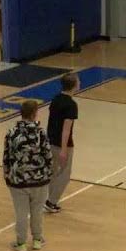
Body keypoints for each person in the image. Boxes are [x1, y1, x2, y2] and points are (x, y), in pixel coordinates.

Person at [3, 100, 53, 251]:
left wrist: (7, 175)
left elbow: (7, 156)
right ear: (34, 114)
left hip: (18, 180)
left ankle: (21, 243)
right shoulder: (40, 133)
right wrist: (48, 173)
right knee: (37, 211)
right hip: (39, 180)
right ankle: (37, 240)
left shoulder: (11, 133)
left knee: (21, 213)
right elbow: (48, 155)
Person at [44, 73, 79, 213]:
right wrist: (64, 148)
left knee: (52, 171)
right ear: (74, 85)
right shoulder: (71, 105)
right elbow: (66, 129)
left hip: (51, 140)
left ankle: (48, 199)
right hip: (62, 144)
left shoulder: (56, 99)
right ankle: (51, 201)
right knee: (64, 174)